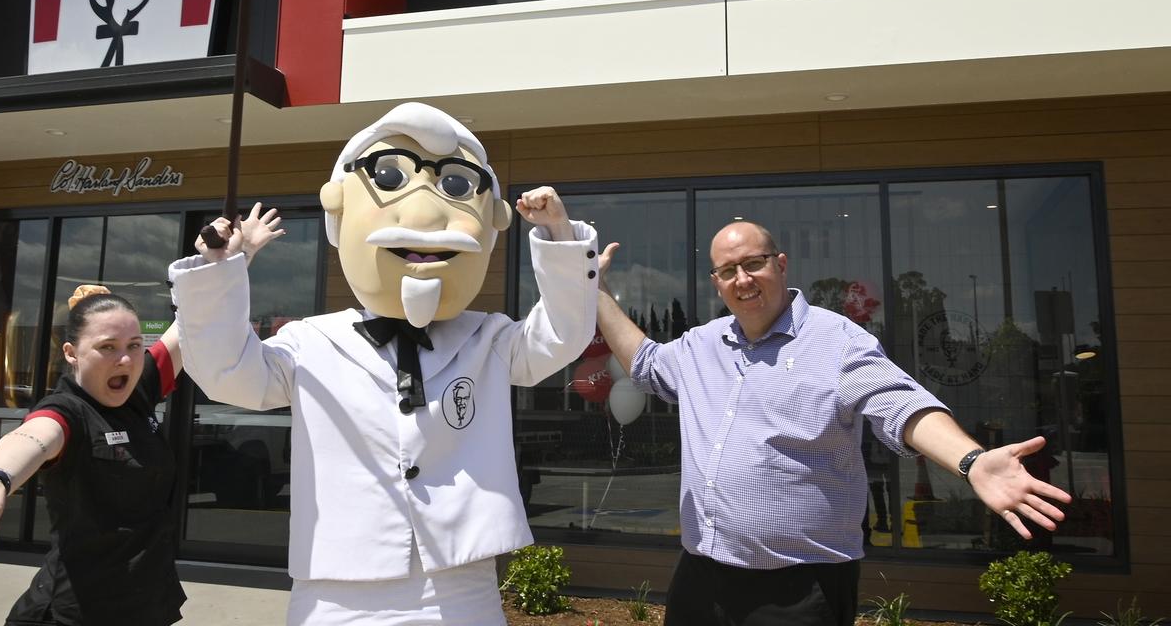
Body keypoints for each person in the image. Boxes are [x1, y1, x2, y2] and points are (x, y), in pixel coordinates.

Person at [167, 102, 600, 625]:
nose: (421, 213)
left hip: (460, 586)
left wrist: (559, 237)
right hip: (337, 588)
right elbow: (227, 375)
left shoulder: (488, 337)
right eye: (391, 178)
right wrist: (221, 271)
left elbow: (562, 335)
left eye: (456, 186)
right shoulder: (312, 341)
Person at [594, 220, 1073, 626]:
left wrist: (970, 460)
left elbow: (900, 405)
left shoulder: (837, 341)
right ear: (716, 283)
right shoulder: (703, 344)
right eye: (727, 271)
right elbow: (645, 362)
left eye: (754, 264)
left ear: (780, 264)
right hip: (701, 575)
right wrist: (594, 290)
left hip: (801, 585)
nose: (742, 279)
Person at [0, 204, 283, 626]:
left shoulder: (139, 389)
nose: (126, 359)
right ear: (72, 354)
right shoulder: (66, 410)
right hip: (76, 612)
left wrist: (234, 260)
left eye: (133, 345)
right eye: (107, 348)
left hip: (148, 604)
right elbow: (34, 439)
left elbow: (192, 324)